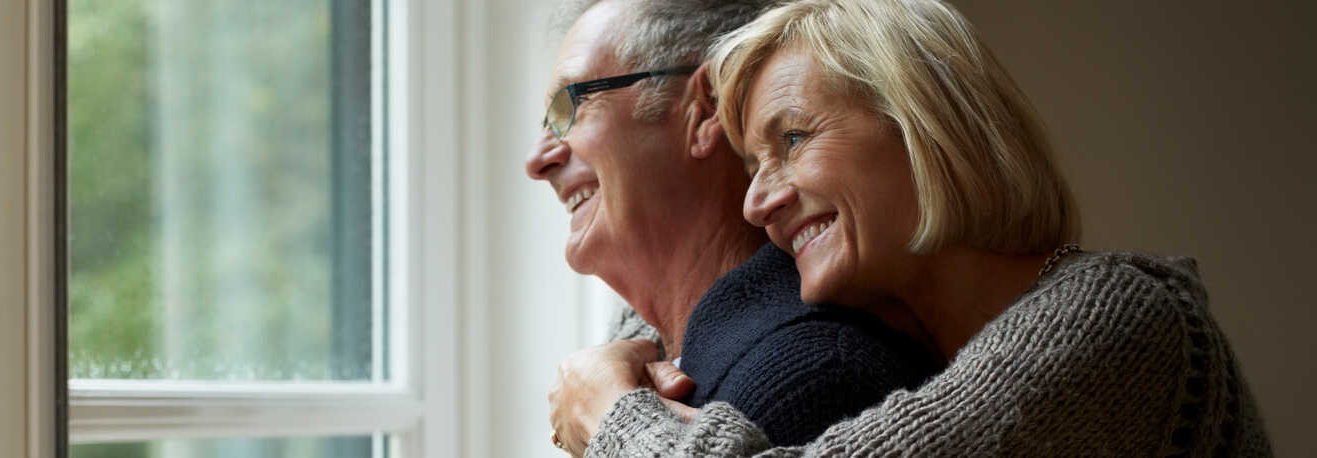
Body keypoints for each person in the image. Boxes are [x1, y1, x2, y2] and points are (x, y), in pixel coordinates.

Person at [548, 0, 1274, 456]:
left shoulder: (1117, 315)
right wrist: (618, 351)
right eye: (752, 161)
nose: (757, 201)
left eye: (793, 139)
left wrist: (612, 412)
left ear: (925, 127)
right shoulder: (923, 341)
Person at [529, 0, 941, 454]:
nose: (537, 159)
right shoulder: (640, 359)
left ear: (705, 109)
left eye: (572, 104)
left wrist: (609, 416)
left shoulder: (810, 371)